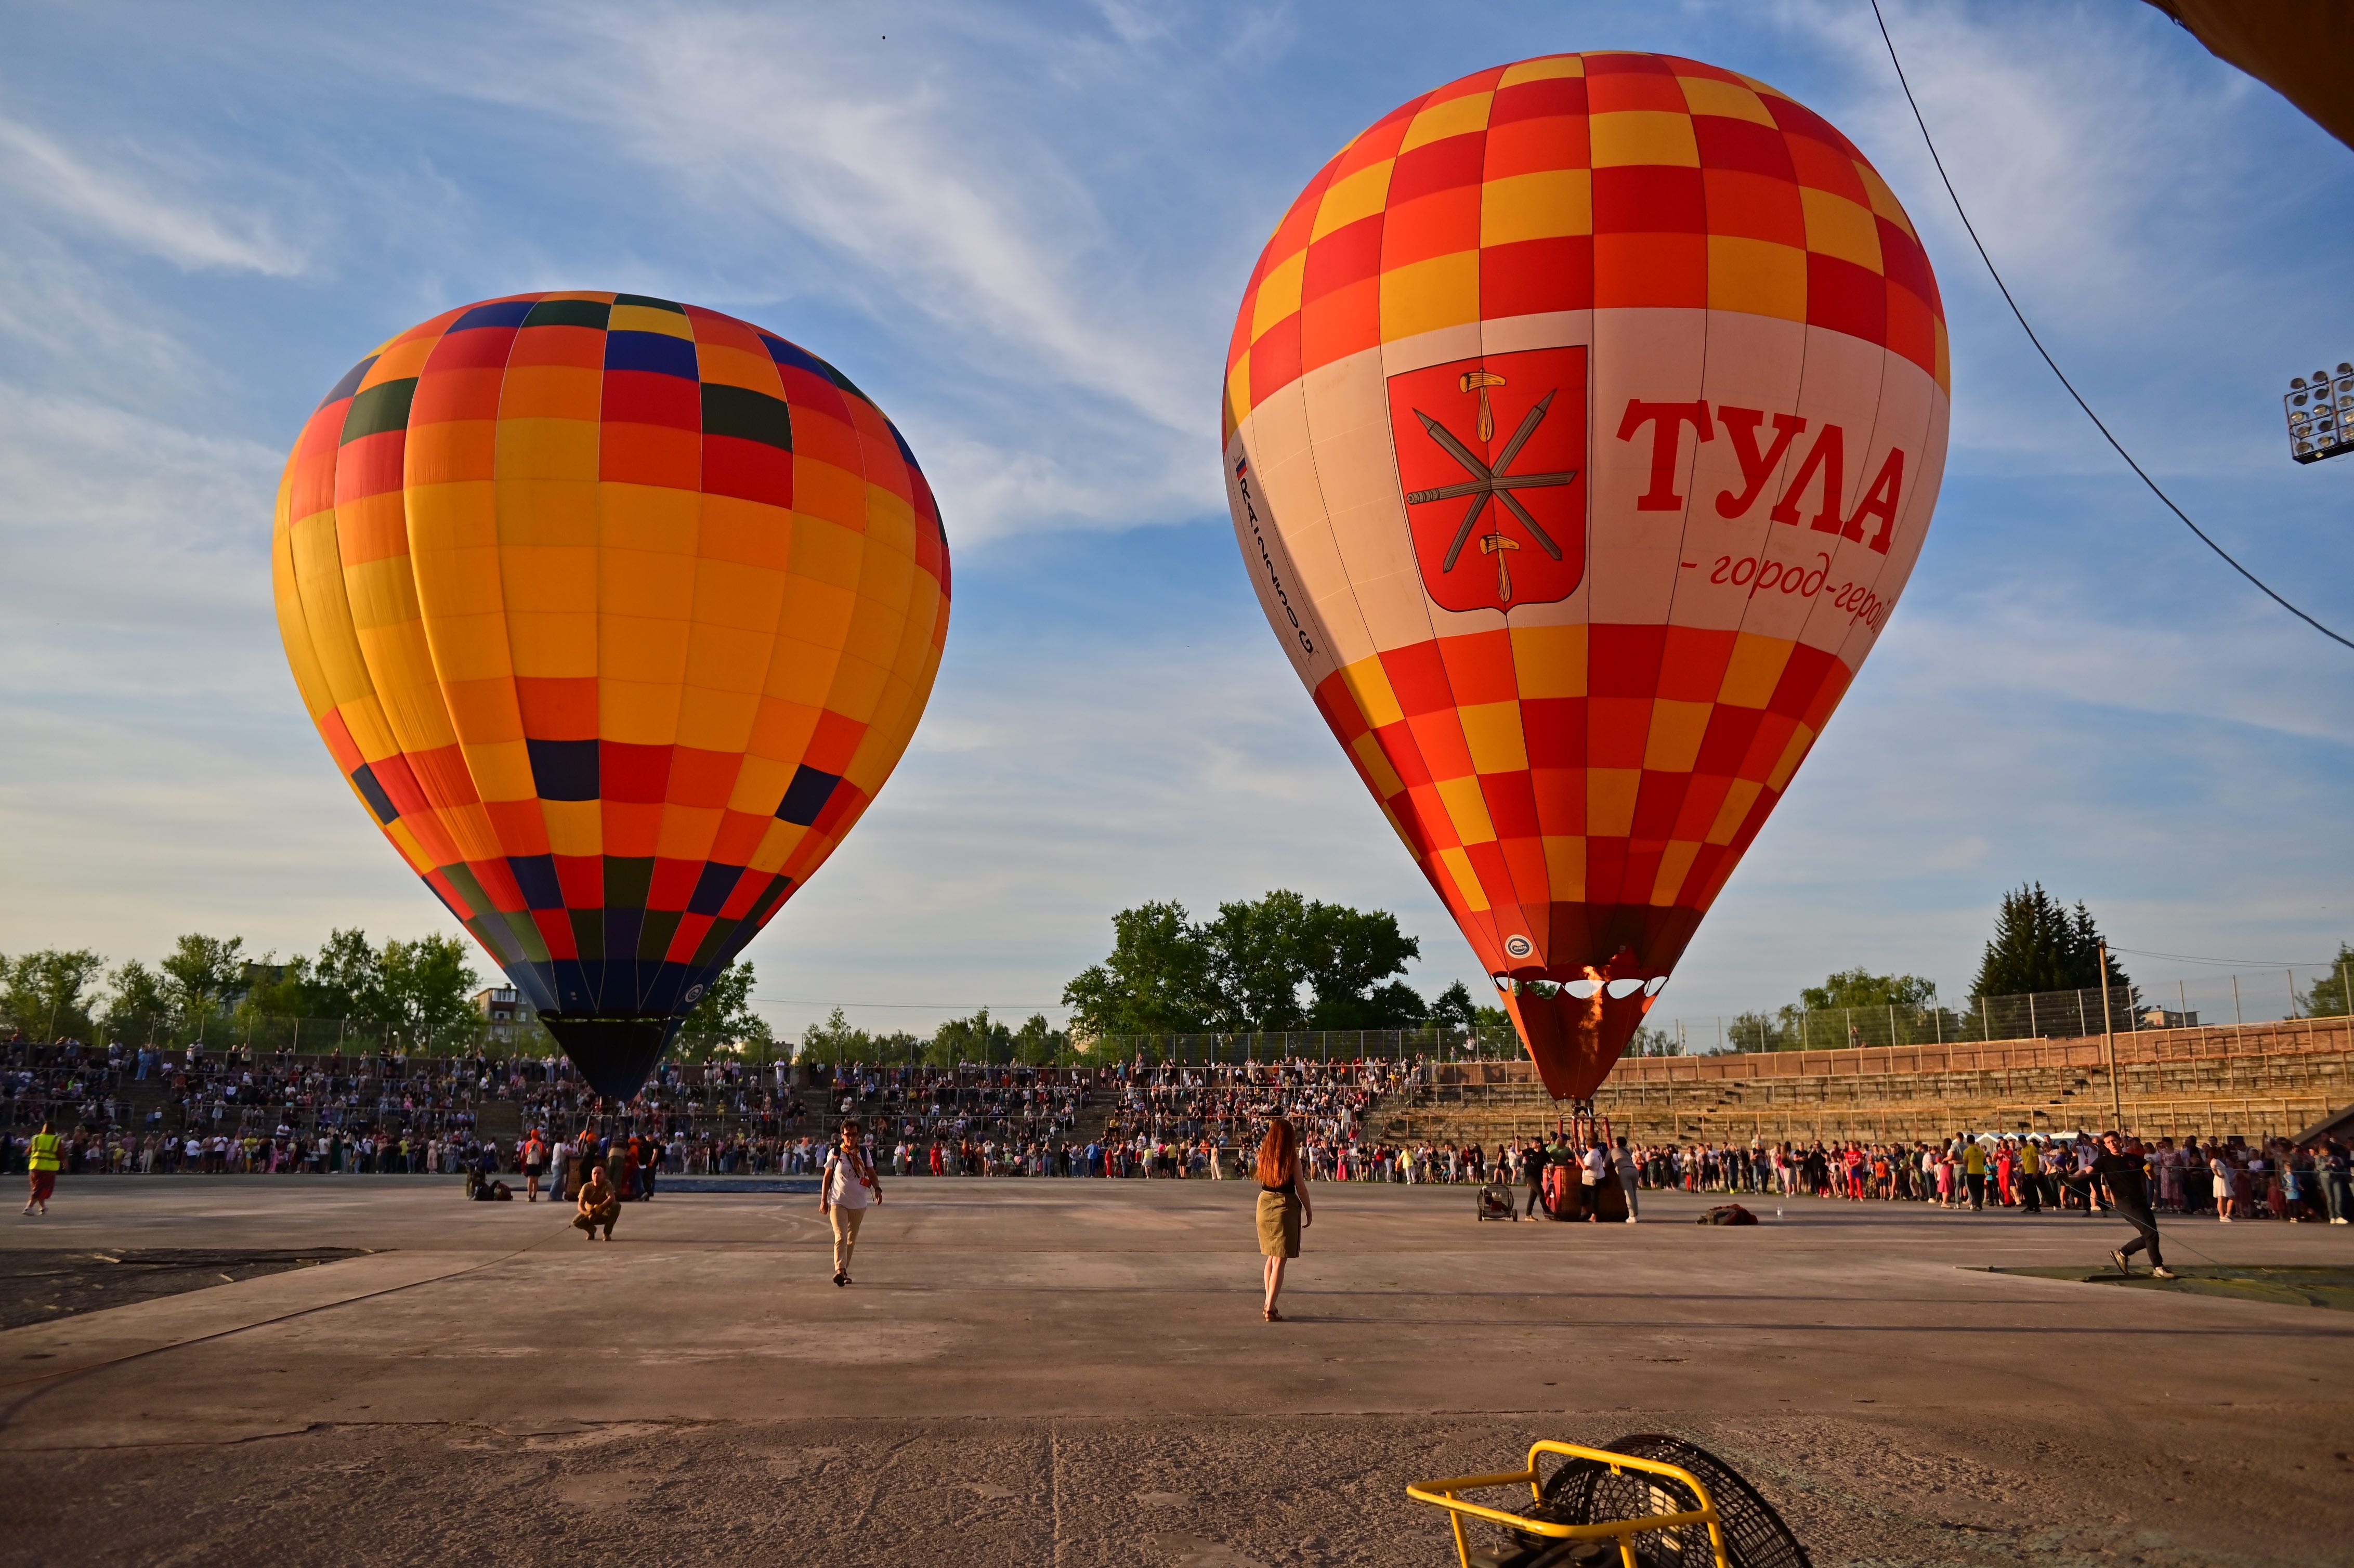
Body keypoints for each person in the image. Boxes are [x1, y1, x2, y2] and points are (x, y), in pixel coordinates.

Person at [2092, 1132, 2175, 1279]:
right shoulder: (2104, 1161)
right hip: (2124, 1202)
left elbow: (2152, 1177)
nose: (2112, 1144)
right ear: (2105, 1146)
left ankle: (2123, 1253)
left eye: (2114, 1141)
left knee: (2151, 1234)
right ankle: (2158, 1267)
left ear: (2120, 1142)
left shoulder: (2135, 1159)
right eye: (2109, 1142)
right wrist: (2069, 1178)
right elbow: (2086, 1171)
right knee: (2151, 1234)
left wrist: (2150, 1172)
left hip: (2140, 1200)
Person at [1256, 1117, 1311, 1322]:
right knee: (1280, 1259)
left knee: (1271, 1256)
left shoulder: (1265, 1156)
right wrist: (1309, 1210)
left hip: (1264, 1205)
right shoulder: (1292, 1158)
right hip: (1284, 1206)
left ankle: (1269, 1302)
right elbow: (1301, 1188)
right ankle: (1270, 1308)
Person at [820, 1119, 881, 1287]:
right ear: (842, 1135)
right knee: (840, 1235)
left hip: (859, 1203)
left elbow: (871, 1172)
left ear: (858, 1135)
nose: (851, 1138)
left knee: (851, 1240)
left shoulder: (863, 1152)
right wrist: (823, 1200)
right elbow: (827, 1178)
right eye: (848, 1135)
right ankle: (840, 1270)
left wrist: (878, 1189)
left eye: (854, 1134)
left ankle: (845, 1270)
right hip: (837, 1201)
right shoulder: (835, 1153)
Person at [23, 1121, 62, 1216]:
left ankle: (43, 1208)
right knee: (41, 1189)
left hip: (34, 1167)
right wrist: (65, 1164)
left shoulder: (36, 1138)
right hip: (48, 1169)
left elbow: (28, 1152)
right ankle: (29, 1208)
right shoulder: (56, 1139)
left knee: (38, 1188)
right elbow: (61, 1155)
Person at [573, 1164, 619, 1242]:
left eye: (599, 1173)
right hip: (591, 1215)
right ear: (592, 1175)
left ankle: (607, 1233)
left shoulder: (607, 1184)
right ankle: (591, 1231)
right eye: (594, 1173)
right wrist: (587, 1213)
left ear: (604, 1175)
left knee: (616, 1206)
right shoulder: (586, 1187)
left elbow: (612, 1198)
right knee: (576, 1221)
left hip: (603, 1213)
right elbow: (580, 1205)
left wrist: (601, 1207)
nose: (596, 1176)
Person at [1614, 1136, 1641, 1224]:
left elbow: (1605, 1164)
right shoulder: (1628, 1151)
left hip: (1624, 1171)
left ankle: (1632, 1216)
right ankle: (1636, 1214)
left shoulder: (1613, 1151)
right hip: (1634, 1170)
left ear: (1617, 1144)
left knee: (1628, 1194)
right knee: (1633, 1194)